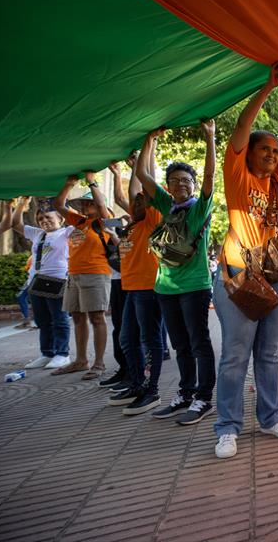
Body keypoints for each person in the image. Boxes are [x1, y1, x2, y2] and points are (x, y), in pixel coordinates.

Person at [211, 63, 278, 459]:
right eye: (264, 149)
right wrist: (267, 88)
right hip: (240, 276)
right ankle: (227, 428)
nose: (272, 154)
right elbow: (242, 128)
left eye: (275, 151)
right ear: (247, 153)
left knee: (269, 353)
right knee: (235, 355)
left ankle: (270, 417)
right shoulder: (237, 175)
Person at [136, 122, 217, 425]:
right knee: (180, 345)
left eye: (186, 180)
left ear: (193, 185)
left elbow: (209, 176)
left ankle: (204, 398)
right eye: (174, 180)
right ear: (168, 186)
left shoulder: (199, 208)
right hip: (165, 289)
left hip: (195, 287)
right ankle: (186, 393)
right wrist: (149, 141)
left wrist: (210, 137)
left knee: (199, 343)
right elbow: (142, 174)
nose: (181, 184)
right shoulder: (166, 205)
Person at [106, 149, 165, 416]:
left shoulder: (152, 221)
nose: (138, 202)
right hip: (131, 289)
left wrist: (148, 148)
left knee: (150, 340)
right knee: (127, 339)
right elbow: (129, 195)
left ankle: (151, 391)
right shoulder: (132, 225)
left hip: (148, 289)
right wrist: (130, 169)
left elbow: (148, 185)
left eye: (143, 200)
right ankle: (138, 384)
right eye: (136, 202)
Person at [52, 172, 113, 380]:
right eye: (84, 203)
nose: (86, 206)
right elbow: (58, 204)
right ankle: (80, 361)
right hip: (74, 275)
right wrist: (69, 184)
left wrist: (92, 182)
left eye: (89, 203)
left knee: (96, 318)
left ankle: (99, 363)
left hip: (95, 274)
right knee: (78, 317)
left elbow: (102, 206)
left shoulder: (104, 221)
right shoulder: (79, 222)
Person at [11, 198, 72, 370]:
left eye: (48, 217)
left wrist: (63, 203)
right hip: (36, 281)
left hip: (57, 280)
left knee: (59, 319)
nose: (44, 220)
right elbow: (15, 223)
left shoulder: (67, 232)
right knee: (42, 321)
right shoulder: (38, 234)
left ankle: (62, 354)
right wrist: (22, 203)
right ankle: (47, 353)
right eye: (40, 218)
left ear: (60, 218)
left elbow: (81, 221)